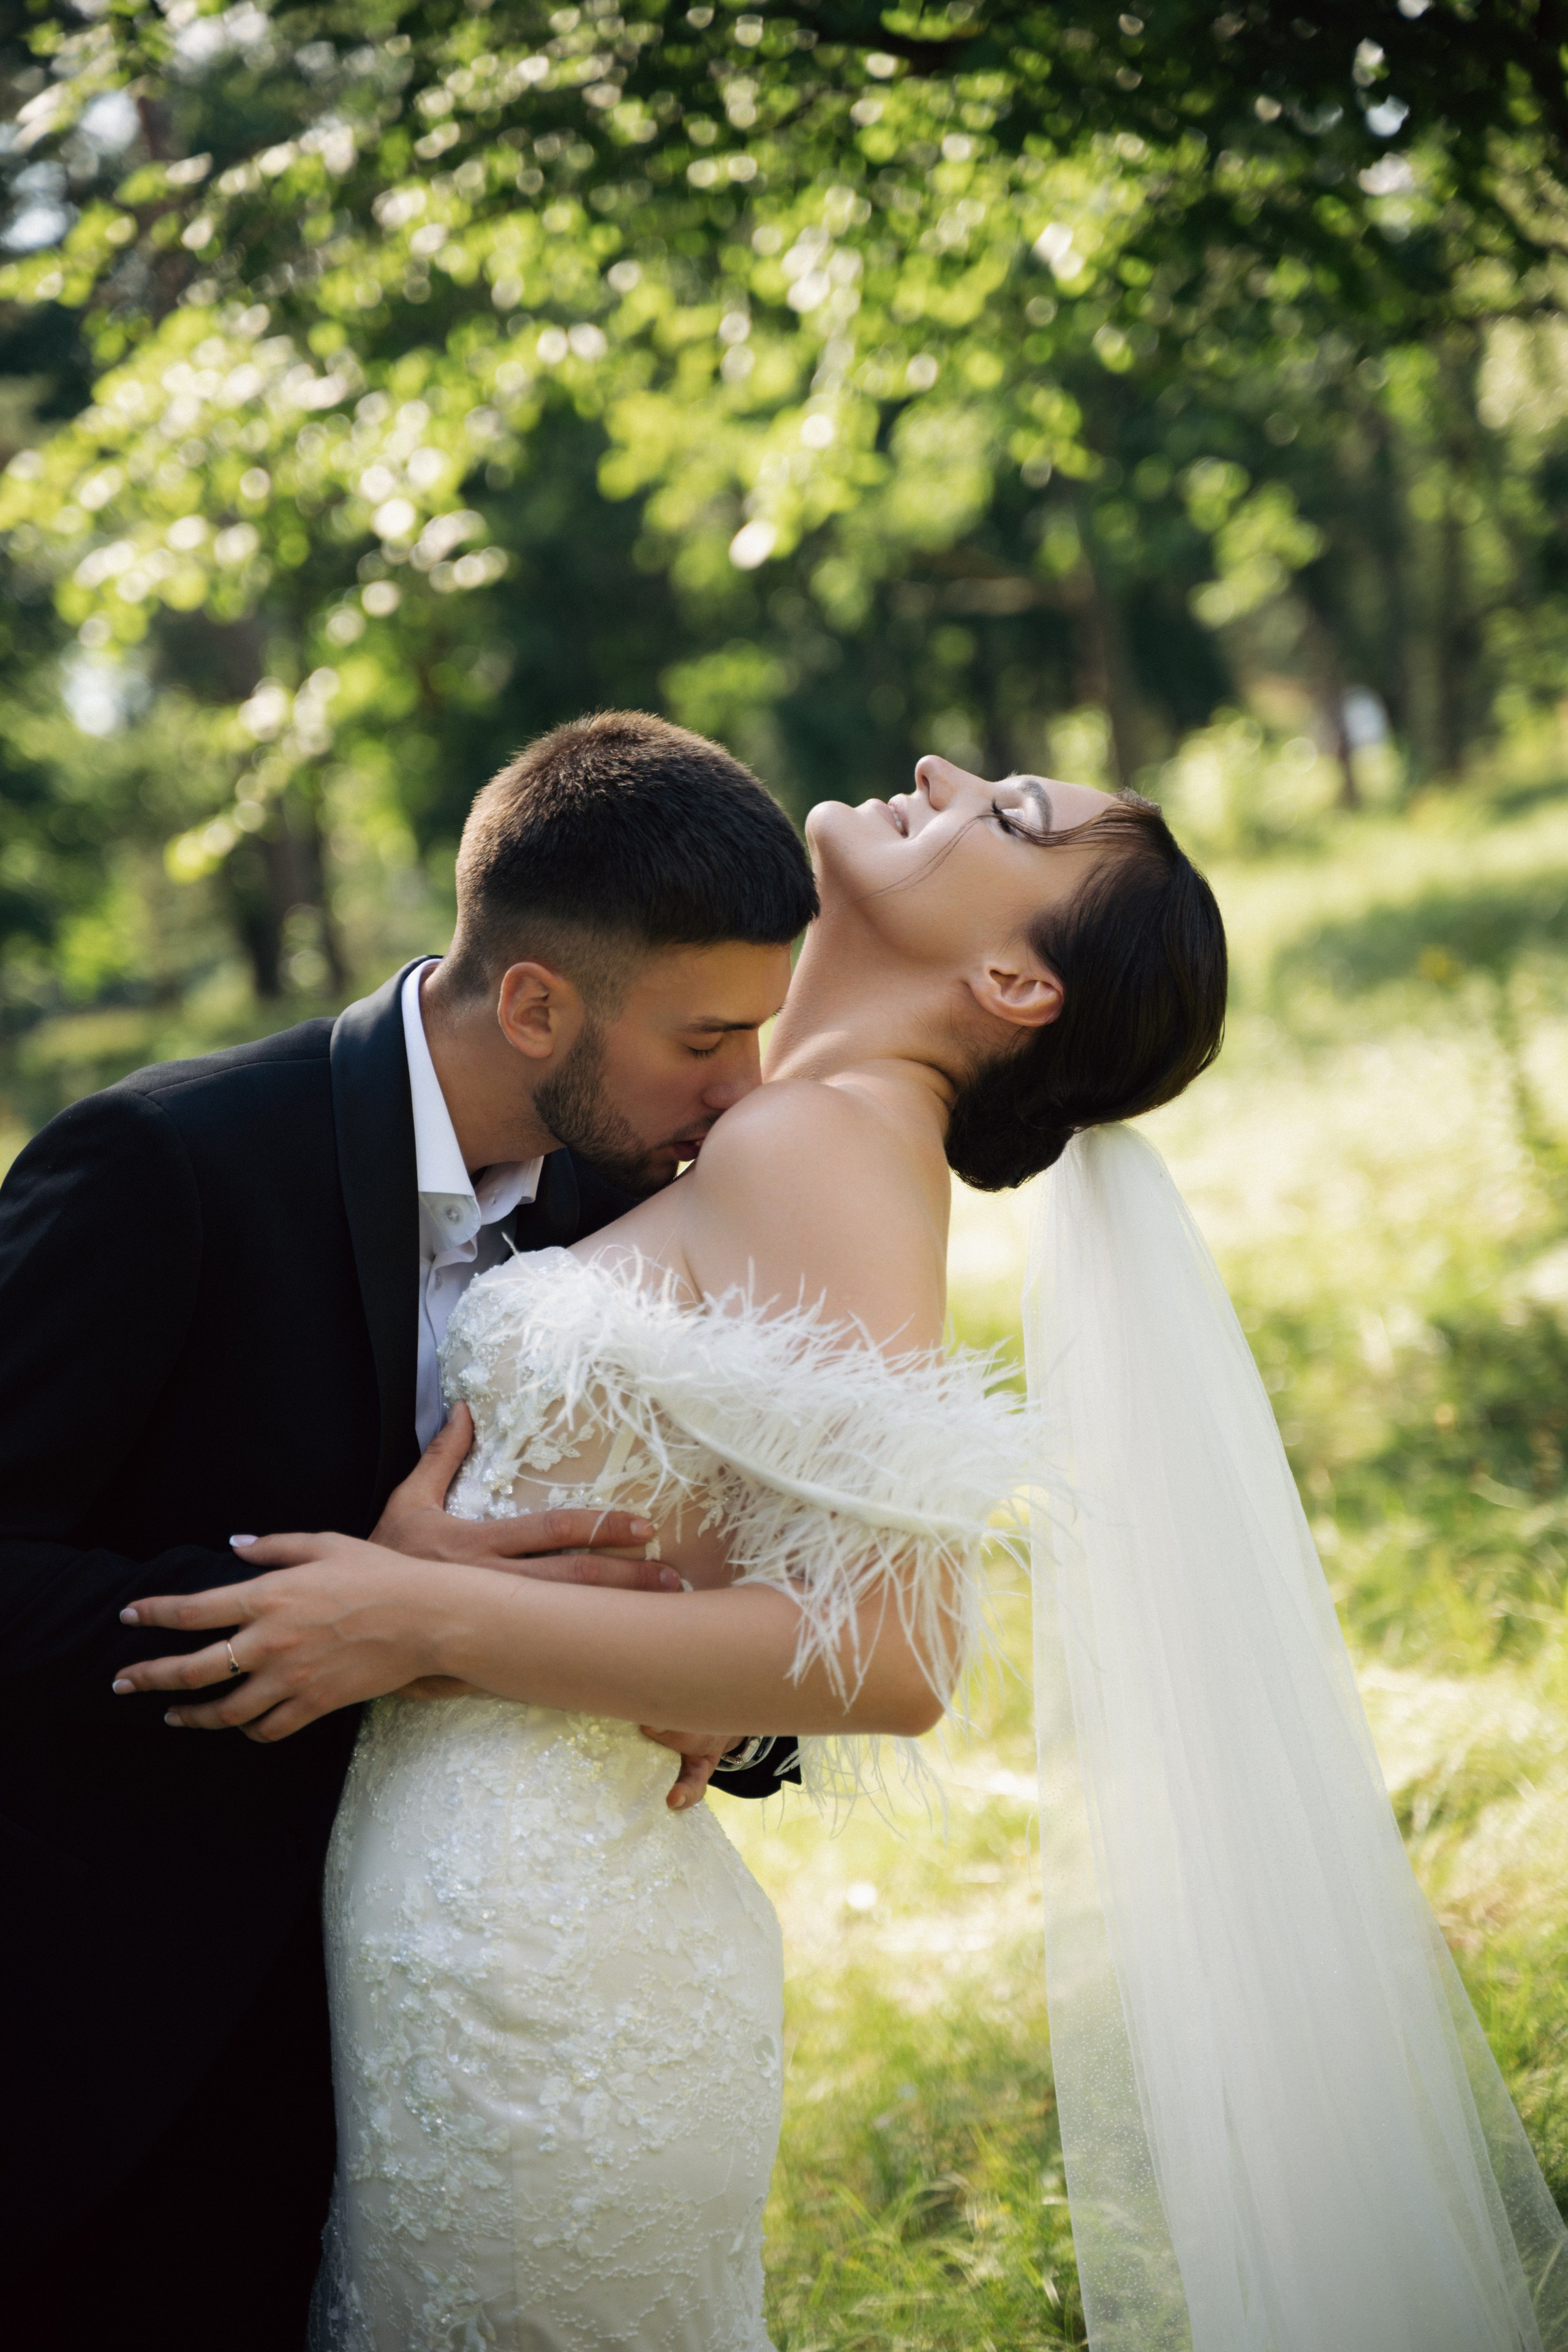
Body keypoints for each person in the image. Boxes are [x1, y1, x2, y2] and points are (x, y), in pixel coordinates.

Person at [123, 748, 1568, 2351]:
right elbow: (736, 1522)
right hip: (469, 1904)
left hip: (542, 1952)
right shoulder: (763, 1129)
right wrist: (600, 1626)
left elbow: (894, 1653)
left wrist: (420, 1620)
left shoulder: (828, 1143)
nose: (943, 772)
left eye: (1009, 817)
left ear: (1013, 982)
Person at [0, 713, 817, 2350]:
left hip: (484, 2033)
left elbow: (721, 1568)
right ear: (536, 1005)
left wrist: (726, 1704)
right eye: (707, 1039)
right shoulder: (166, 1164)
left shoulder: (632, 1196)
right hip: (142, 2048)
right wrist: (341, 1614)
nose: (746, 1093)